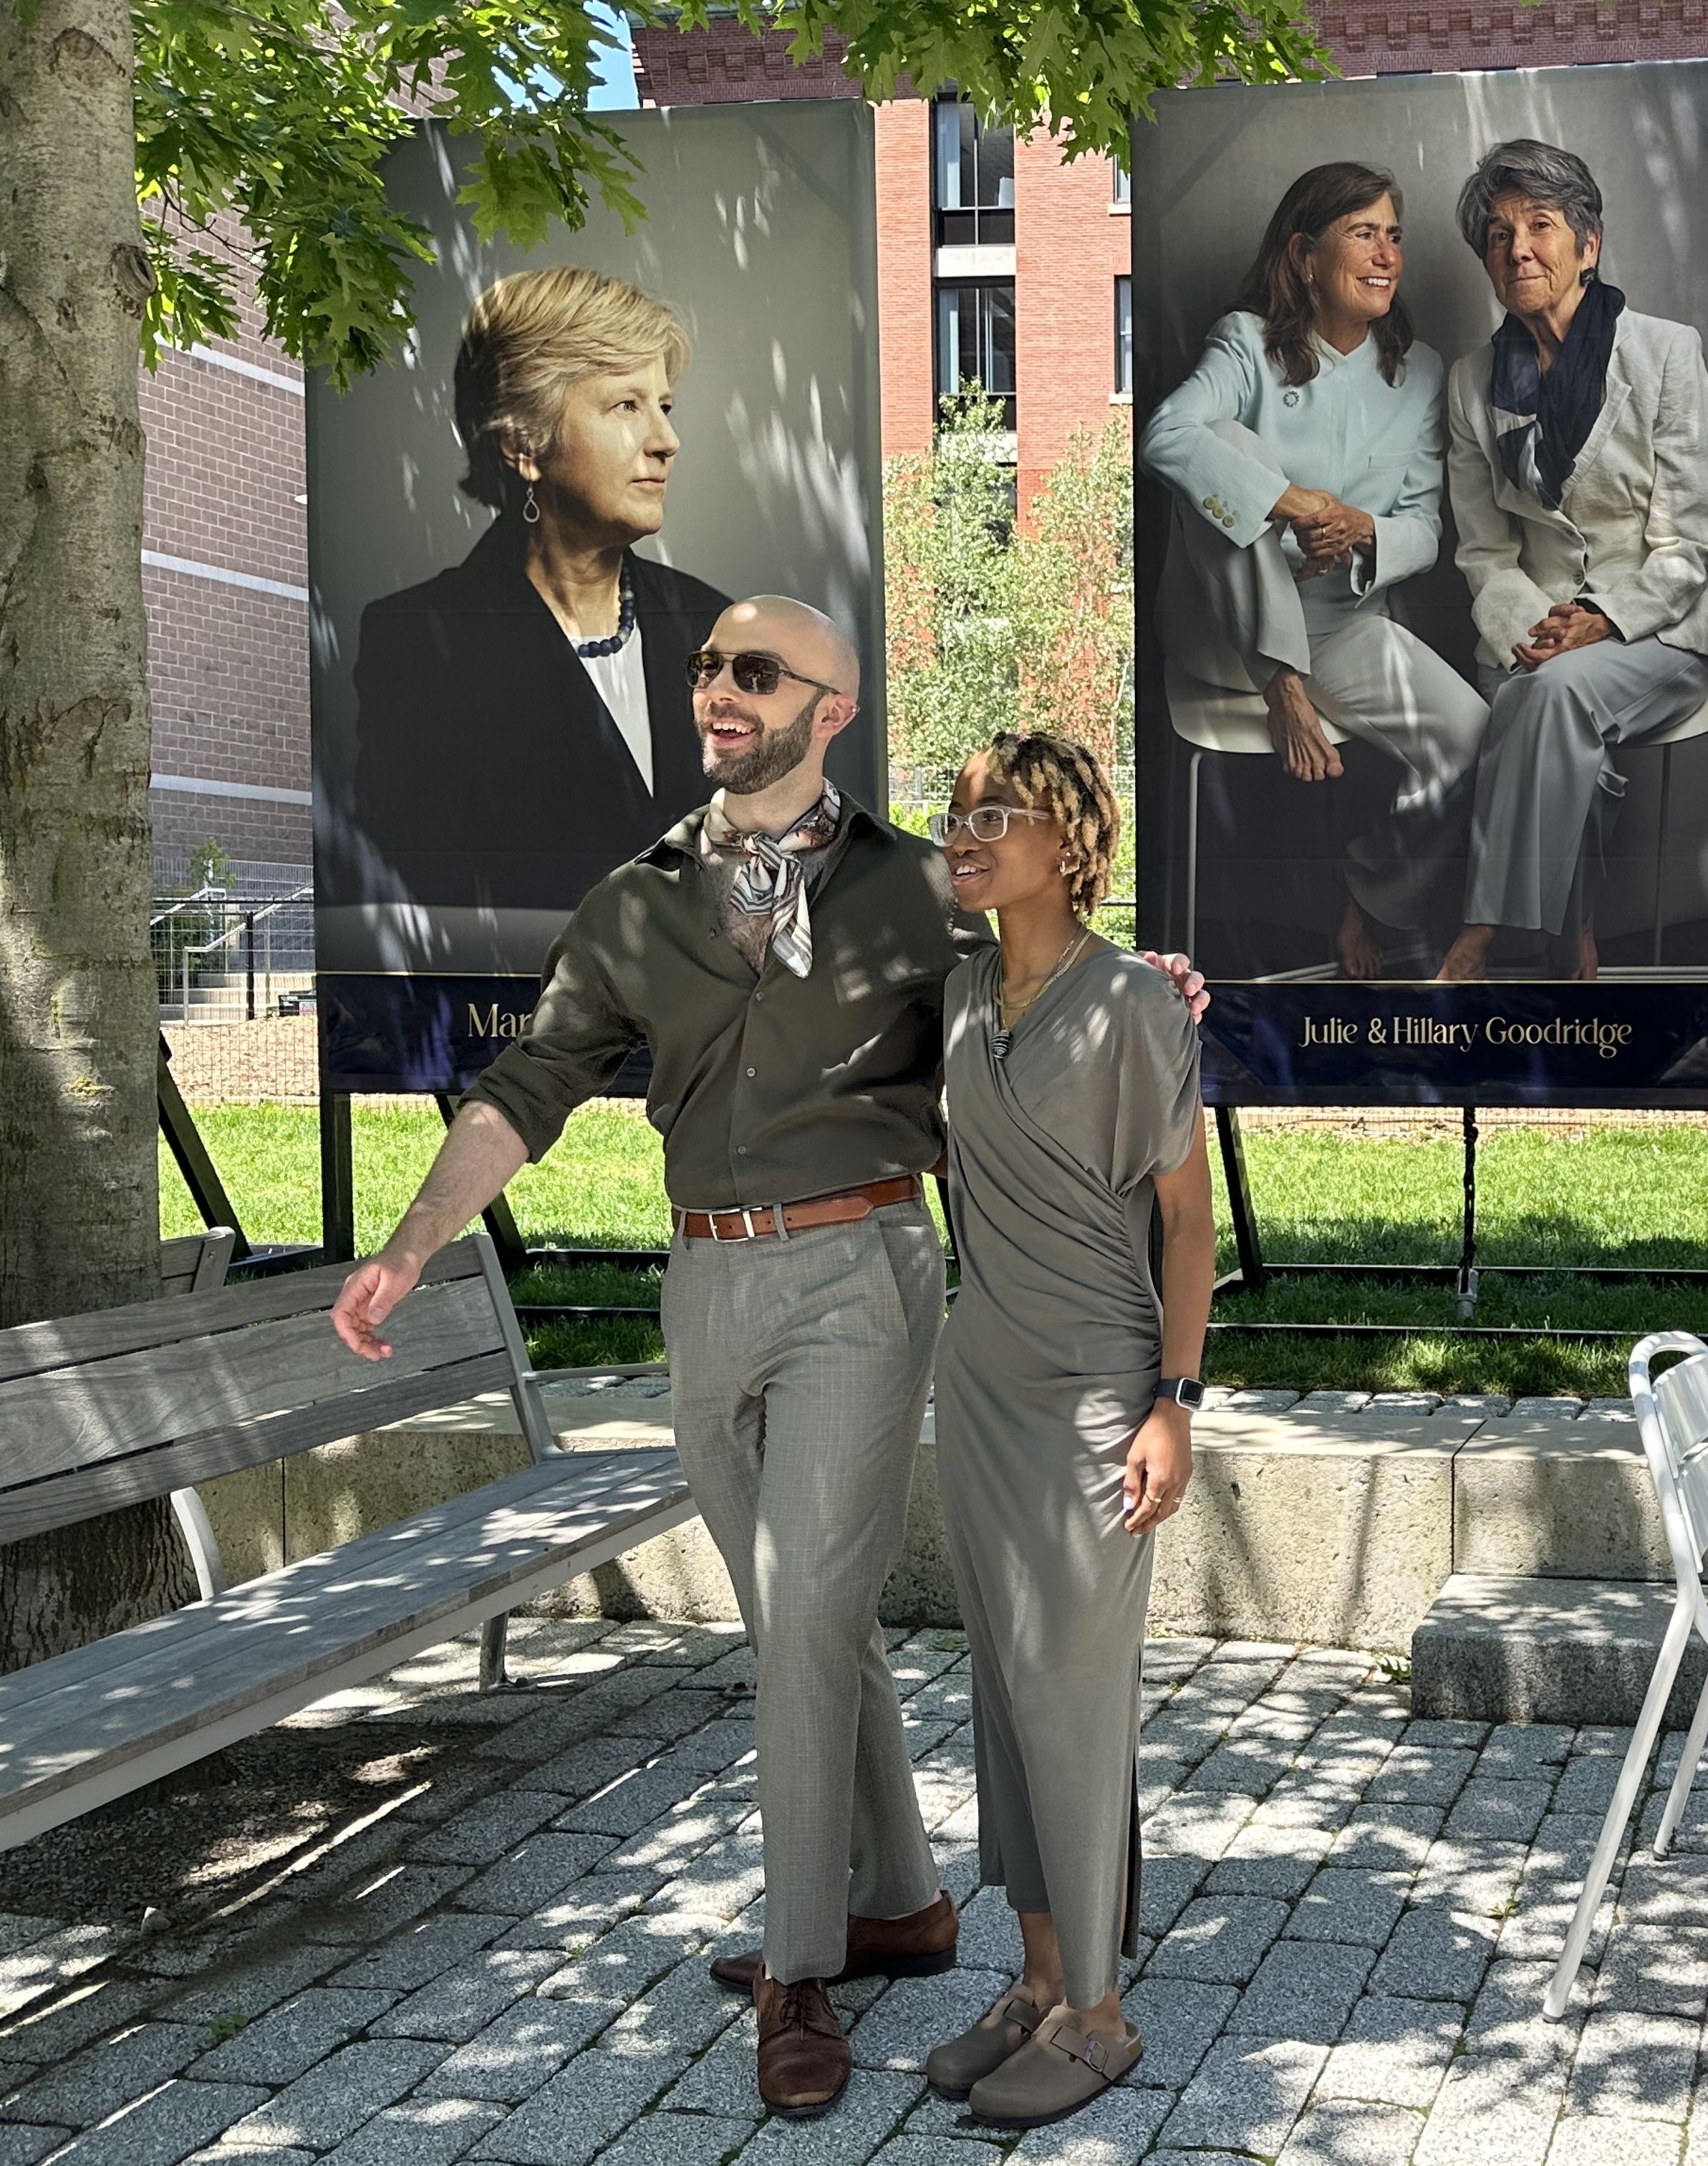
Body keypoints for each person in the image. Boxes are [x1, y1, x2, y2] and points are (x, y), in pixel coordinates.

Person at [328, 598, 1202, 2119]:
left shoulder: (923, 885)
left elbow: (1057, 984)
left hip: (865, 1271)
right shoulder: (635, 902)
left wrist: (1156, 991)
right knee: (805, 1614)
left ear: (832, 705)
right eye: (707, 669)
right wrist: (410, 1242)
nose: (716, 692)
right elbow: (529, 1083)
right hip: (703, 1281)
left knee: (804, 1608)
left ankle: (803, 1972)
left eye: (753, 672)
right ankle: (906, 1907)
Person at [920, 732, 1210, 2131]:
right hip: (978, 1385)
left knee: (1074, 1698)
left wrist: (1177, 1399)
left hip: (1099, 1392)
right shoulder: (960, 997)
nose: (965, 830)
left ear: (1071, 839)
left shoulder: (1136, 1006)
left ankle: (1101, 2014)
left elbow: (1188, 1221)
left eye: (997, 812)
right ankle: (1036, 1980)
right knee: (1003, 1693)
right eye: (956, 810)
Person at [1144, 161, 1488, 976]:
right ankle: (1281, 685)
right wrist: (1293, 504)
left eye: (1394, 236)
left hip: (1336, 622)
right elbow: (1166, 435)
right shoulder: (1246, 343)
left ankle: (1373, 895)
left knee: (1476, 741)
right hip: (1221, 634)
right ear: (1304, 255)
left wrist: (1361, 531)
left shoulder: (1422, 373)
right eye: (1362, 234)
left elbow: (1424, 532)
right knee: (1223, 445)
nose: (1386, 256)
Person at [349, 267, 733, 912]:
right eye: (626, 406)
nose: (667, 441)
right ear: (523, 445)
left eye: (664, 406)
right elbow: (429, 893)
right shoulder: (418, 640)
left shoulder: (713, 624)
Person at [1437, 139, 1708, 982]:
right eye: (1497, 234)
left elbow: (1691, 542)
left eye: (1540, 225)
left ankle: (1484, 925)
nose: (1517, 248)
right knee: (1552, 702)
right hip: (1530, 633)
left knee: (1552, 699)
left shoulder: (1667, 355)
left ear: (1588, 245)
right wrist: (1540, 626)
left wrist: (1600, 620)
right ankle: (1575, 924)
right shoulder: (1470, 383)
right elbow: (1485, 550)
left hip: (1656, 631)